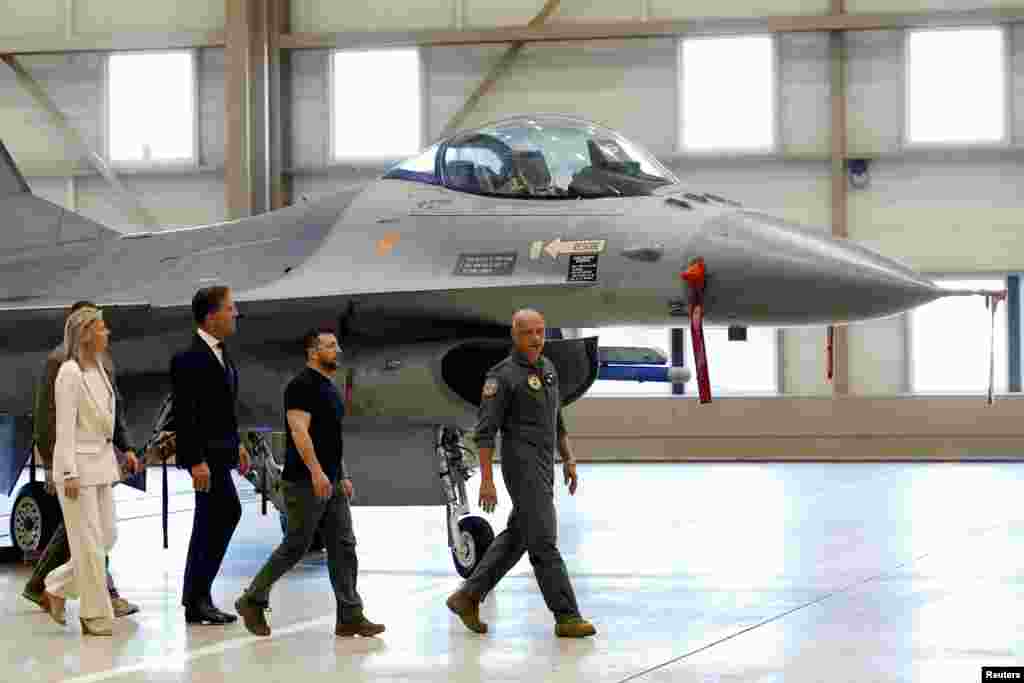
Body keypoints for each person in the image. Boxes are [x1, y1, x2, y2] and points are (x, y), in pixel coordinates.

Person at [446, 309, 596, 638]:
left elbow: (556, 417)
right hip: (522, 465)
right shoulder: (501, 377)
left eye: (541, 332)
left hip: (545, 465)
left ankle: (468, 596)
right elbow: (485, 433)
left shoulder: (548, 369)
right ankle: (567, 616)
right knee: (543, 541)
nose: (537, 339)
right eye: (529, 333)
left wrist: (568, 457)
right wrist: (487, 480)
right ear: (515, 336)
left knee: (518, 537)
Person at [235, 329, 384, 638]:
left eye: (337, 345)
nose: (338, 350)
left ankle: (350, 615)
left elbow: (332, 439)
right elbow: (299, 432)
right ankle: (252, 599)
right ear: (313, 352)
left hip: (330, 482)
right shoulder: (300, 386)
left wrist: (341, 475)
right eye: (331, 346)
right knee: (296, 545)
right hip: (305, 482)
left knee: (344, 546)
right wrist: (316, 472)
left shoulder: (329, 388)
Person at [22, 301, 140, 619]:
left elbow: (115, 410)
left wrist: (125, 446)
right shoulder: (60, 364)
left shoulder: (102, 363)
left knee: (98, 535)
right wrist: (53, 465)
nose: (107, 330)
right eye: (100, 325)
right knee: (84, 536)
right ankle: (99, 602)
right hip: (73, 463)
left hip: (99, 462)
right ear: (84, 330)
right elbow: (50, 419)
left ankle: (51, 586)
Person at [171, 286, 251, 625]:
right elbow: (186, 415)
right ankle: (196, 598)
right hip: (206, 457)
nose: (235, 314)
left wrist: (239, 445)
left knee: (217, 517)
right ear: (210, 316)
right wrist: (195, 461)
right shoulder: (189, 358)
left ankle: (197, 597)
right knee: (218, 516)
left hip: (222, 452)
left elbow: (223, 410)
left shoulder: (222, 353)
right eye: (230, 308)